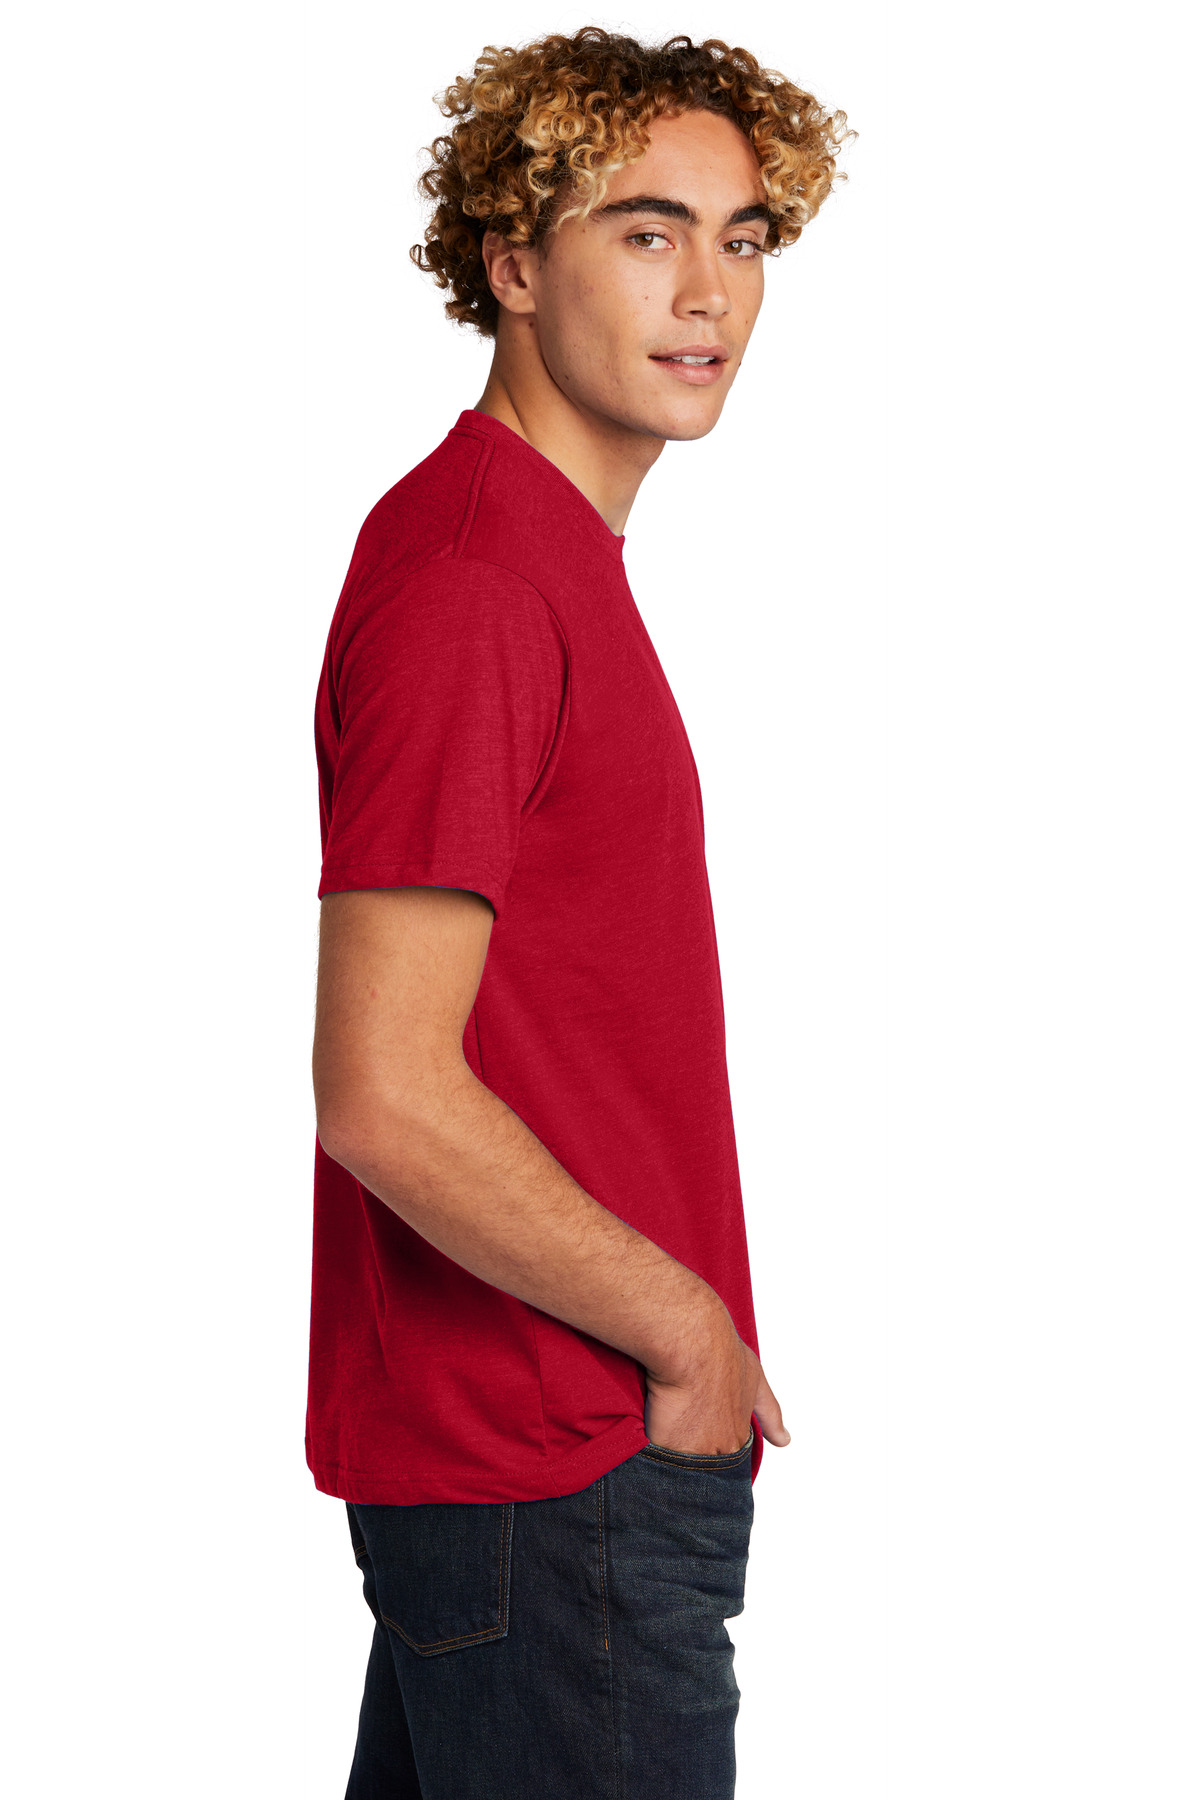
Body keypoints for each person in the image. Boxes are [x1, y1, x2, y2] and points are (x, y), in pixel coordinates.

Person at [308, 27, 852, 1799]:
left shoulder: (535, 558)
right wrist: (685, 1332)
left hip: (552, 1471)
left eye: (743, 238)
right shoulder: (480, 584)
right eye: (645, 231)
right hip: (561, 1473)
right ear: (514, 265)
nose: (709, 292)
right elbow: (382, 1088)